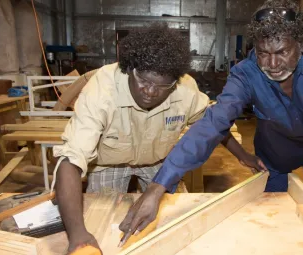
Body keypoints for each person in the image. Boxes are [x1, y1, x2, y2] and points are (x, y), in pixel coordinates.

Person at [118, 0, 303, 238]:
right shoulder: (245, 74)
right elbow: (212, 125)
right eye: (263, 53)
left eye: (282, 53)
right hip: (272, 156)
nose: (272, 65)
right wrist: (157, 186)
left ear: (301, 45)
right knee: (272, 220)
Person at [51, 23, 255, 253]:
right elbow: (71, 160)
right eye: (144, 82)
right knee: (100, 223)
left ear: (174, 82)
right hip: (108, 163)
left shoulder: (185, 88)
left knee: (174, 226)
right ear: (130, 70)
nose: (150, 91)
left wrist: (244, 156)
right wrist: (77, 234)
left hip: (158, 162)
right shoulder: (102, 89)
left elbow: (212, 125)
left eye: (161, 86)